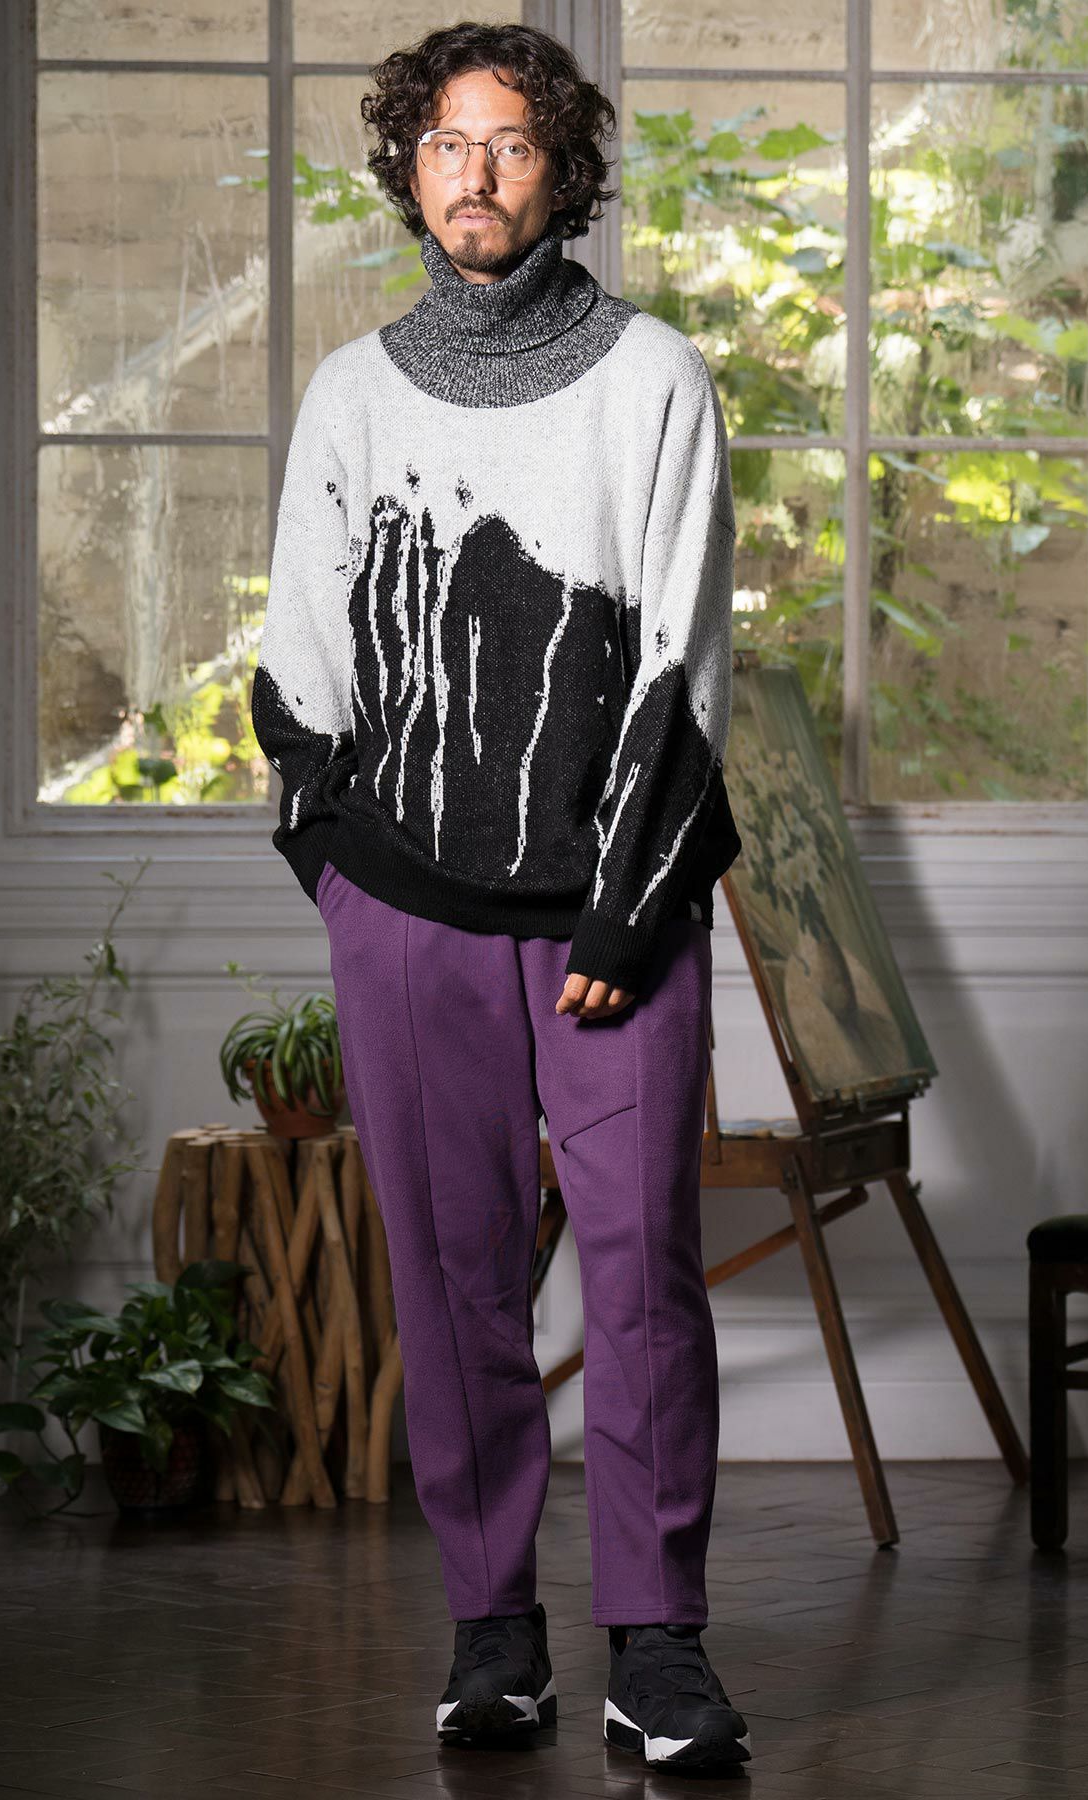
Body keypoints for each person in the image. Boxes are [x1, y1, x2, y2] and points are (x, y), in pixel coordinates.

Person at [250, 18, 750, 1773]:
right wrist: (345, 882)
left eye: (512, 144)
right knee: (455, 1273)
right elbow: (300, 660)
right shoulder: (351, 394)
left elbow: (687, 654)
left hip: (614, 920)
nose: (475, 174)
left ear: (564, 173)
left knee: (642, 1274)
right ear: (410, 168)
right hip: (407, 921)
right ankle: (494, 1636)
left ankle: (658, 1648)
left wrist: (628, 908)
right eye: (446, 144)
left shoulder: (653, 380)